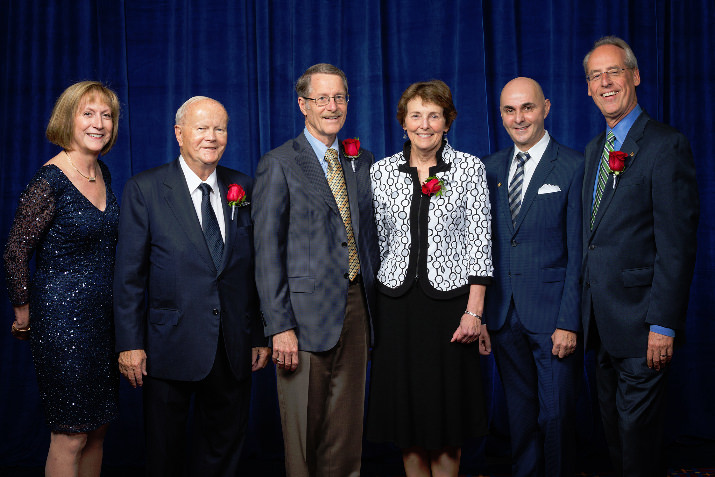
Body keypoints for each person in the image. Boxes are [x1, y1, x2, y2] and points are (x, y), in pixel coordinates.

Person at [113, 96, 270, 477]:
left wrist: (259, 334)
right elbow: (129, 276)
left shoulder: (245, 187)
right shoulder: (145, 188)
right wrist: (130, 344)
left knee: (223, 450)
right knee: (164, 453)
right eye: (202, 128)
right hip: (168, 346)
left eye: (220, 128)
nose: (212, 137)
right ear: (179, 134)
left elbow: (258, 269)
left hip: (232, 346)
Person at [252, 63, 379, 477]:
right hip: (302, 318)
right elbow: (267, 251)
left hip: (357, 306)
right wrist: (278, 325)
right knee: (303, 431)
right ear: (303, 104)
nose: (332, 106)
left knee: (346, 427)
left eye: (339, 97)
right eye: (322, 98)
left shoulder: (361, 161)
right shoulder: (280, 163)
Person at [582, 36, 698, 476]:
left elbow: (677, 245)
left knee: (637, 443)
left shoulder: (666, 146)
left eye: (614, 72)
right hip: (601, 325)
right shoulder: (595, 150)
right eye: (596, 76)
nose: (606, 82)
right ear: (588, 88)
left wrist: (663, 325)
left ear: (635, 76)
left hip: (644, 326)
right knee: (614, 436)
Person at [366, 80, 492, 477]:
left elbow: (481, 242)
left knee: (446, 420)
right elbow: (374, 244)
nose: (424, 125)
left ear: (447, 122)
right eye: (415, 115)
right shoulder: (381, 172)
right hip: (395, 310)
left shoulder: (470, 168)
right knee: (408, 422)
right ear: (403, 122)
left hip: (451, 311)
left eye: (433, 115)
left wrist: (475, 312)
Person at [3, 81, 121, 477]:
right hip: (62, 323)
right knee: (70, 434)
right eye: (88, 113)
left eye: (106, 115)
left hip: (103, 320)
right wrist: (24, 314)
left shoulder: (100, 170)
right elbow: (16, 251)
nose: (99, 123)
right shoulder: (50, 180)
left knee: (99, 428)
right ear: (67, 119)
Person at [482, 77, 583, 476]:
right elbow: (483, 248)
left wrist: (568, 321)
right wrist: (484, 315)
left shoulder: (575, 166)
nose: (518, 117)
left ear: (546, 108)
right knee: (520, 420)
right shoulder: (489, 169)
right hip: (505, 316)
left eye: (527, 107)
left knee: (556, 418)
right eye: (509, 109)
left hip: (553, 319)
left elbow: (579, 255)